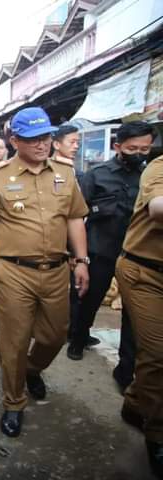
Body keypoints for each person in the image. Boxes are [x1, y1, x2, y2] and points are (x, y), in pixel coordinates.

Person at [0, 106, 90, 438]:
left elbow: (74, 218)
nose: (42, 145)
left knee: (55, 336)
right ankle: (13, 401)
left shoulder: (65, 174)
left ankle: (32, 369)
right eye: (33, 139)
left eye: (47, 138)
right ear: (14, 140)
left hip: (55, 271)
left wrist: (81, 260)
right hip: (13, 273)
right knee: (14, 342)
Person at [67, 122, 154, 391]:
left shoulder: (151, 176)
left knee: (134, 312)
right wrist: (77, 256)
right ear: (118, 147)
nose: (139, 153)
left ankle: (125, 369)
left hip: (136, 255)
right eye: (132, 148)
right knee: (89, 298)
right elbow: (76, 216)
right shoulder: (97, 175)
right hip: (100, 250)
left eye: (145, 148)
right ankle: (78, 339)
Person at [115, 152, 163, 479]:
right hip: (146, 275)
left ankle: (135, 401)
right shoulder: (159, 167)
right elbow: (158, 210)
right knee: (159, 353)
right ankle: (157, 431)